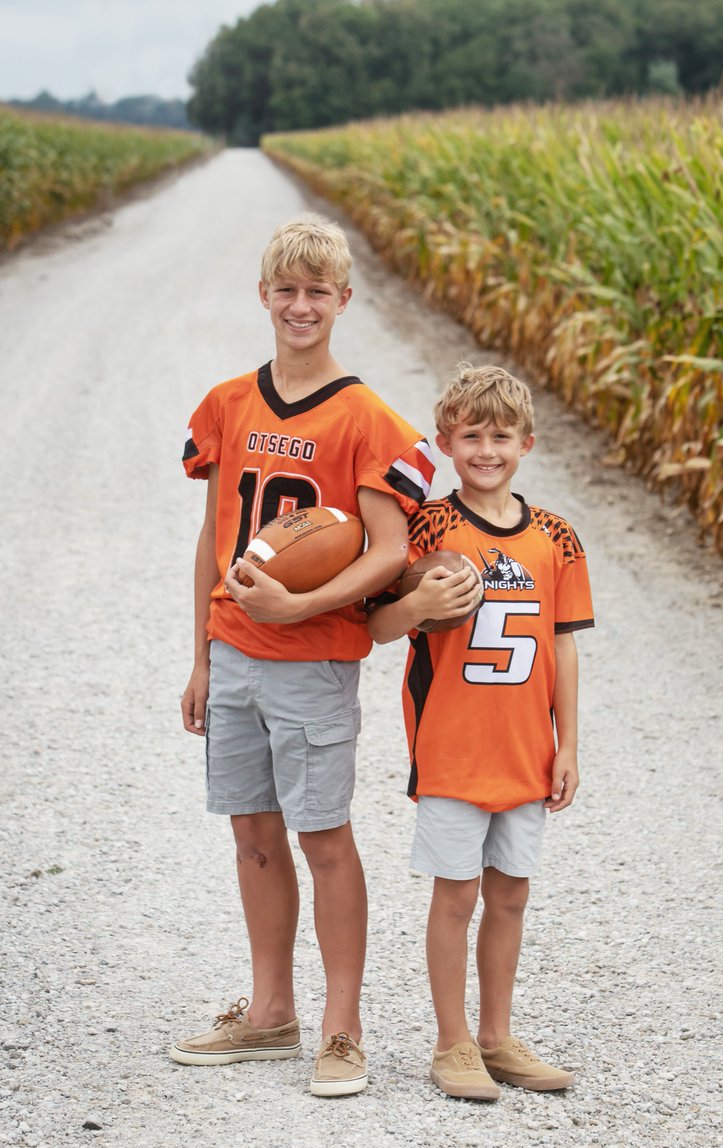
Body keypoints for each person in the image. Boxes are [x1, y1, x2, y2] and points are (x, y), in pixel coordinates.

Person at [170, 213, 435, 1097]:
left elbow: (389, 549)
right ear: (264, 296)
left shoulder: (365, 416)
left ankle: (343, 1029)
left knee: (323, 835)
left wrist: (301, 603)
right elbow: (213, 533)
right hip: (235, 653)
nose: (300, 305)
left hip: (315, 657)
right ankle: (270, 1013)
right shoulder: (227, 403)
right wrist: (203, 654)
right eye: (286, 289)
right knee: (250, 831)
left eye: (317, 291)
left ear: (344, 301)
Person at [367, 363, 593, 1101]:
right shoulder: (430, 525)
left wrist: (570, 744)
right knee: (456, 895)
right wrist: (420, 599)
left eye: (501, 436)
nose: (486, 450)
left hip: (525, 752)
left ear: (527, 443)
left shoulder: (557, 537)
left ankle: (497, 1036)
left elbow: (562, 645)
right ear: (446, 443)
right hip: (454, 748)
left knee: (512, 894)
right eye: (471, 436)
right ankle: (452, 1040)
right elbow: (380, 625)